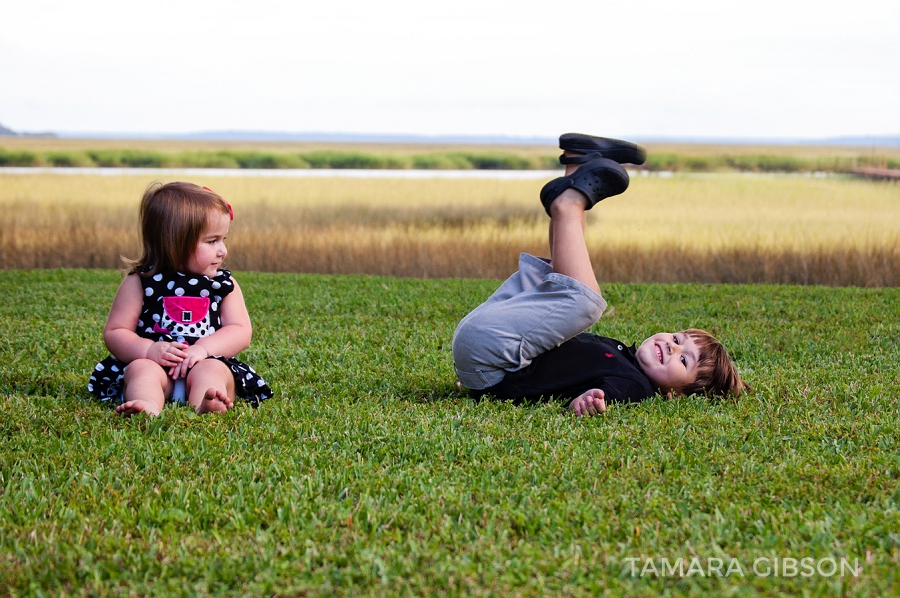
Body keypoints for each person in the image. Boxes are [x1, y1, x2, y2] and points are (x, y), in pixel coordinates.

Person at [452, 133, 747, 416]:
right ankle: (578, 164)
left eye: (683, 360)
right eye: (677, 338)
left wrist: (584, 402)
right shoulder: (619, 352)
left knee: (586, 303)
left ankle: (568, 204)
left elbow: (597, 397)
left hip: (489, 356)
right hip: (490, 355)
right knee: (557, 283)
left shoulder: (636, 386)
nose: (671, 346)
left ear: (675, 394)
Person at [88, 182, 272, 416]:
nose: (222, 250)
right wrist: (149, 350)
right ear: (175, 243)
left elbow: (240, 330)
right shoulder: (141, 282)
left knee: (213, 370)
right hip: (158, 366)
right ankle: (146, 404)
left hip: (204, 361)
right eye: (212, 241)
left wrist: (202, 350)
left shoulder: (223, 285)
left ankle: (206, 403)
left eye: (223, 239)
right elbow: (115, 332)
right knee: (141, 370)